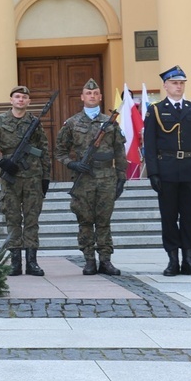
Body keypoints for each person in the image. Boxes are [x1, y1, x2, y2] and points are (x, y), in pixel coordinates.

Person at [55, 78, 128, 276]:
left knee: (104, 221)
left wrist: (121, 176)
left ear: (100, 97)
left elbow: (119, 150)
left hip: (106, 177)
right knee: (85, 220)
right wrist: (72, 164)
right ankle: (89, 260)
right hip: (84, 178)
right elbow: (59, 150)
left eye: (95, 93)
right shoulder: (72, 123)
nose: (92, 96)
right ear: (82, 97)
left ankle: (105, 260)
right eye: (89, 93)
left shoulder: (110, 122)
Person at [144, 65, 191, 277]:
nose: (179, 86)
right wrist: (153, 173)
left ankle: (189, 260)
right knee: (169, 217)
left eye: (182, 83)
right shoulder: (155, 110)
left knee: (190, 216)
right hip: (167, 170)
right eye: (174, 83)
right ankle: (173, 260)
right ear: (165, 85)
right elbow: (150, 144)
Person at [0, 86, 50, 277]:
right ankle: (15, 263)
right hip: (10, 177)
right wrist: (0, 161)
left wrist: (46, 177)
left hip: (33, 178)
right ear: (11, 100)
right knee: (12, 218)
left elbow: (43, 150)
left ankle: (32, 262)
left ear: (28, 102)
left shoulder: (34, 123)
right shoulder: (0, 122)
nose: (20, 100)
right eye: (17, 97)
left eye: (24, 97)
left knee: (31, 220)